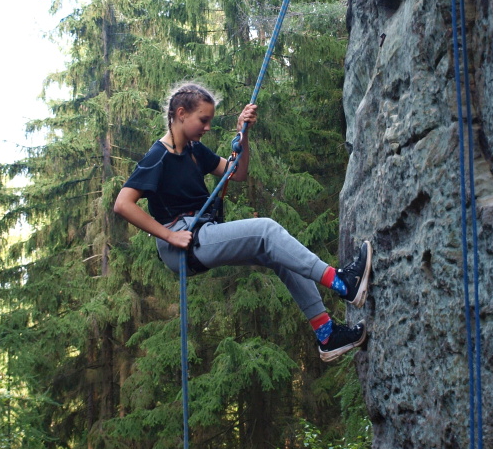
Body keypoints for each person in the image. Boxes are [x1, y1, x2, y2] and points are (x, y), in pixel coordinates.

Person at [114, 83, 371, 362]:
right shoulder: (158, 156)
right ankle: (342, 283)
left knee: (277, 253)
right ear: (181, 114)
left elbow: (237, 173)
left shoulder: (194, 150)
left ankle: (327, 335)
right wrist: (169, 235)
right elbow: (123, 204)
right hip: (180, 244)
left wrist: (243, 135)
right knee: (265, 229)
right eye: (203, 120)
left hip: (200, 233)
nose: (207, 127)